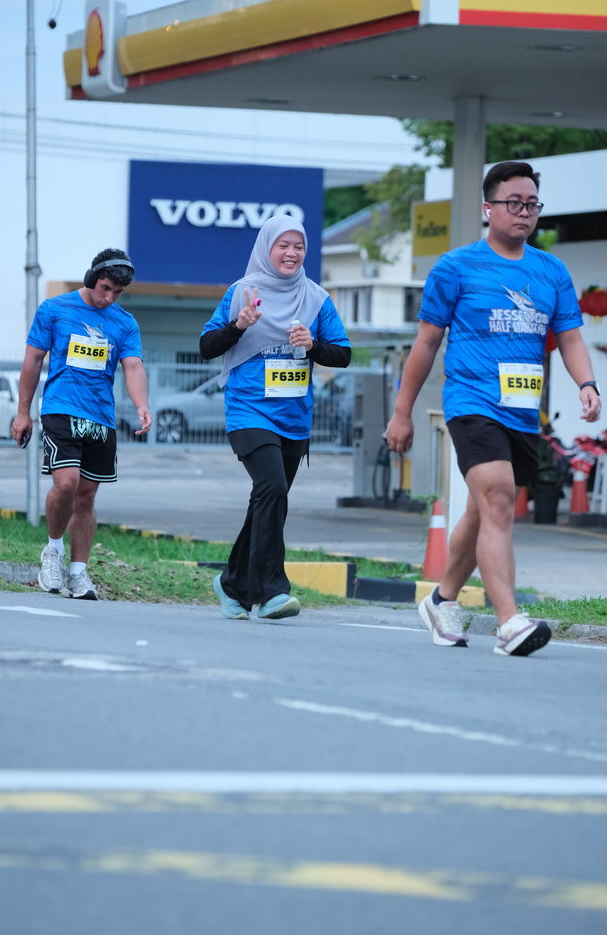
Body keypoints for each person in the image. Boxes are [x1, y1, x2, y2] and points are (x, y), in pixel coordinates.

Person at [386, 161, 601, 657]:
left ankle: (441, 601)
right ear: (488, 208)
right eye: (513, 203)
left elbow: (570, 338)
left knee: (485, 509)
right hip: (471, 401)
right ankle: (509, 623)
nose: (524, 212)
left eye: (532, 204)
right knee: (500, 499)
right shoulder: (455, 267)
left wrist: (587, 384)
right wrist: (402, 412)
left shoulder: (551, 271)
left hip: (522, 410)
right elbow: (425, 344)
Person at [200, 215, 351, 621]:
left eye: (298, 246)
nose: (291, 253)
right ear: (267, 248)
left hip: (294, 416)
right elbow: (206, 346)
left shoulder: (317, 298)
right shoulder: (242, 292)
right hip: (248, 409)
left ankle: (232, 584)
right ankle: (271, 591)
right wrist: (238, 325)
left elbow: (343, 353)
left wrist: (313, 345)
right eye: (283, 245)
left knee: (269, 500)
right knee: (273, 487)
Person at [11, 248, 152, 599]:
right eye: (105, 288)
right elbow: (33, 361)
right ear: (91, 278)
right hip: (60, 408)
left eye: (117, 293)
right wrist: (23, 411)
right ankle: (53, 552)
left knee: (86, 497)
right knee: (67, 483)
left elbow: (133, 367)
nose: (109, 298)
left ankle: (77, 573)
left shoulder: (125, 323)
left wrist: (142, 405)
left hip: (100, 416)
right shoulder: (54, 309)